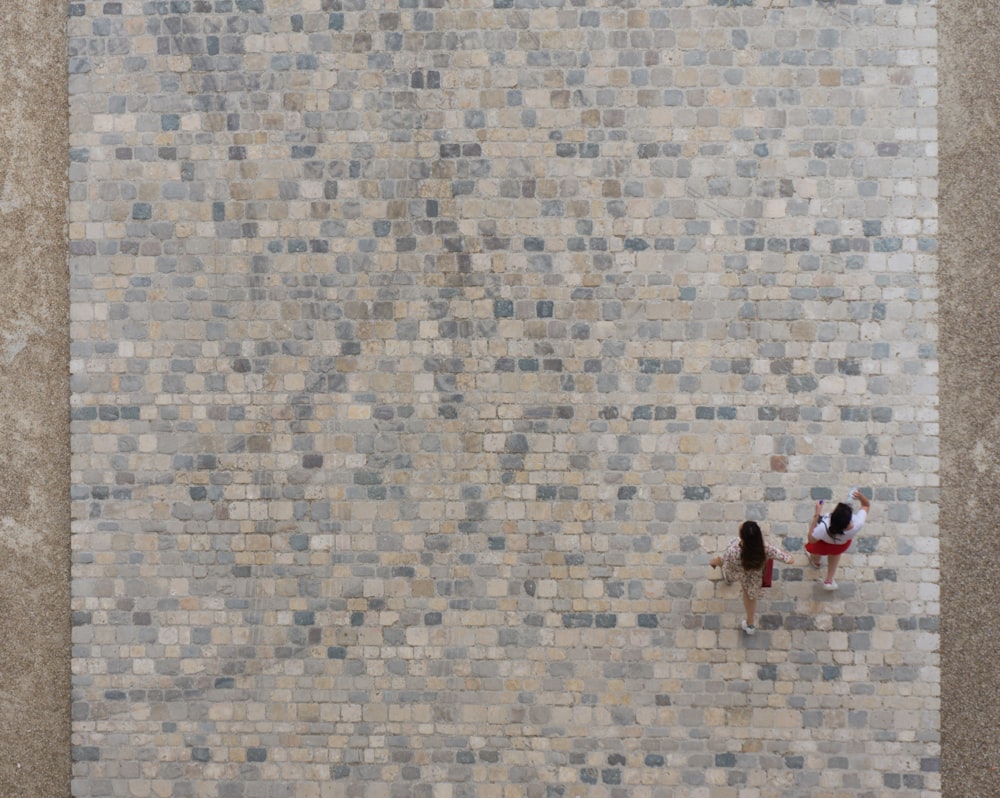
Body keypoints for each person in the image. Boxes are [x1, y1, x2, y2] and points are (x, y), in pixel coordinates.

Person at [710, 521, 793, 636]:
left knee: (729, 574)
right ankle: (750, 624)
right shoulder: (766, 549)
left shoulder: (733, 551)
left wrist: (713, 562)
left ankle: (728, 579)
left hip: (739, 572)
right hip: (754, 577)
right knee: (750, 596)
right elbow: (789, 559)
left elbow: (724, 561)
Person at [805, 489, 872, 591]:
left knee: (816, 552)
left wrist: (817, 515)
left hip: (822, 544)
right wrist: (860, 496)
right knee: (834, 556)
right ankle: (829, 580)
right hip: (840, 545)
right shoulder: (857, 524)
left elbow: (811, 539)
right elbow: (866, 505)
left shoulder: (823, 527)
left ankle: (816, 562)